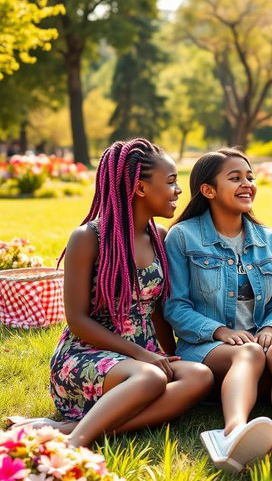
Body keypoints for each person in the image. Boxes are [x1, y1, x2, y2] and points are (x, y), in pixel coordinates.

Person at [26, 139, 213, 448]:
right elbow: (76, 320)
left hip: (141, 356)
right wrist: (143, 356)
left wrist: (164, 354)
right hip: (86, 355)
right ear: (140, 188)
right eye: (171, 182)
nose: (178, 190)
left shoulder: (159, 236)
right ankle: (77, 442)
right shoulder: (89, 238)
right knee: (151, 378)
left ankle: (68, 428)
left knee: (200, 376)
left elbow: (156, 311)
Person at [164, 149, 272, 473]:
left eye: (249, 177)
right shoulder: (184, 237)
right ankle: (231, 434)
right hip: (205, 348)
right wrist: (221, 332)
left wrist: (271, 330)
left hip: (259, 345)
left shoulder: (270, 241)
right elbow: (176, 306)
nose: (247, 184)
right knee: (249, 353)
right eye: (235, 178)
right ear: (208, 190)